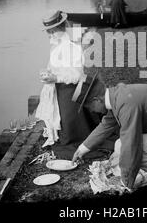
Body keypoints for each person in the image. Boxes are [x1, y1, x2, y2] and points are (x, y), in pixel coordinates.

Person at [35, 10, 110, 158]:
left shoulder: (71, 47)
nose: (50, 35)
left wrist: (55, 78)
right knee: (64, 129)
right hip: (61, 90)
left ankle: (78, 136)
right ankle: (70, 132)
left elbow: (76, 75)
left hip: (71, 91)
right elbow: (58, 67)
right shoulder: (58, 45)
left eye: (52, 31)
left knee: (70, 136)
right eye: (48, 32)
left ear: (60, 29)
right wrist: (49, 74)